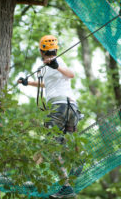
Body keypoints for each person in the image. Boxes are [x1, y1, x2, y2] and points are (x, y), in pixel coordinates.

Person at [18, 35, 80, 198]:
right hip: (71, 108)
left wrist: (57, 65)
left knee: (51, 148)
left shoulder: (58, 61)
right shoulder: (45, 67)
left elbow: (71, 74)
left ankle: (66, 186)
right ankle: (68, 177)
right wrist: (28, 83)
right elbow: (48, 83)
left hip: (60, 107)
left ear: (41, 51)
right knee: (61, 146)